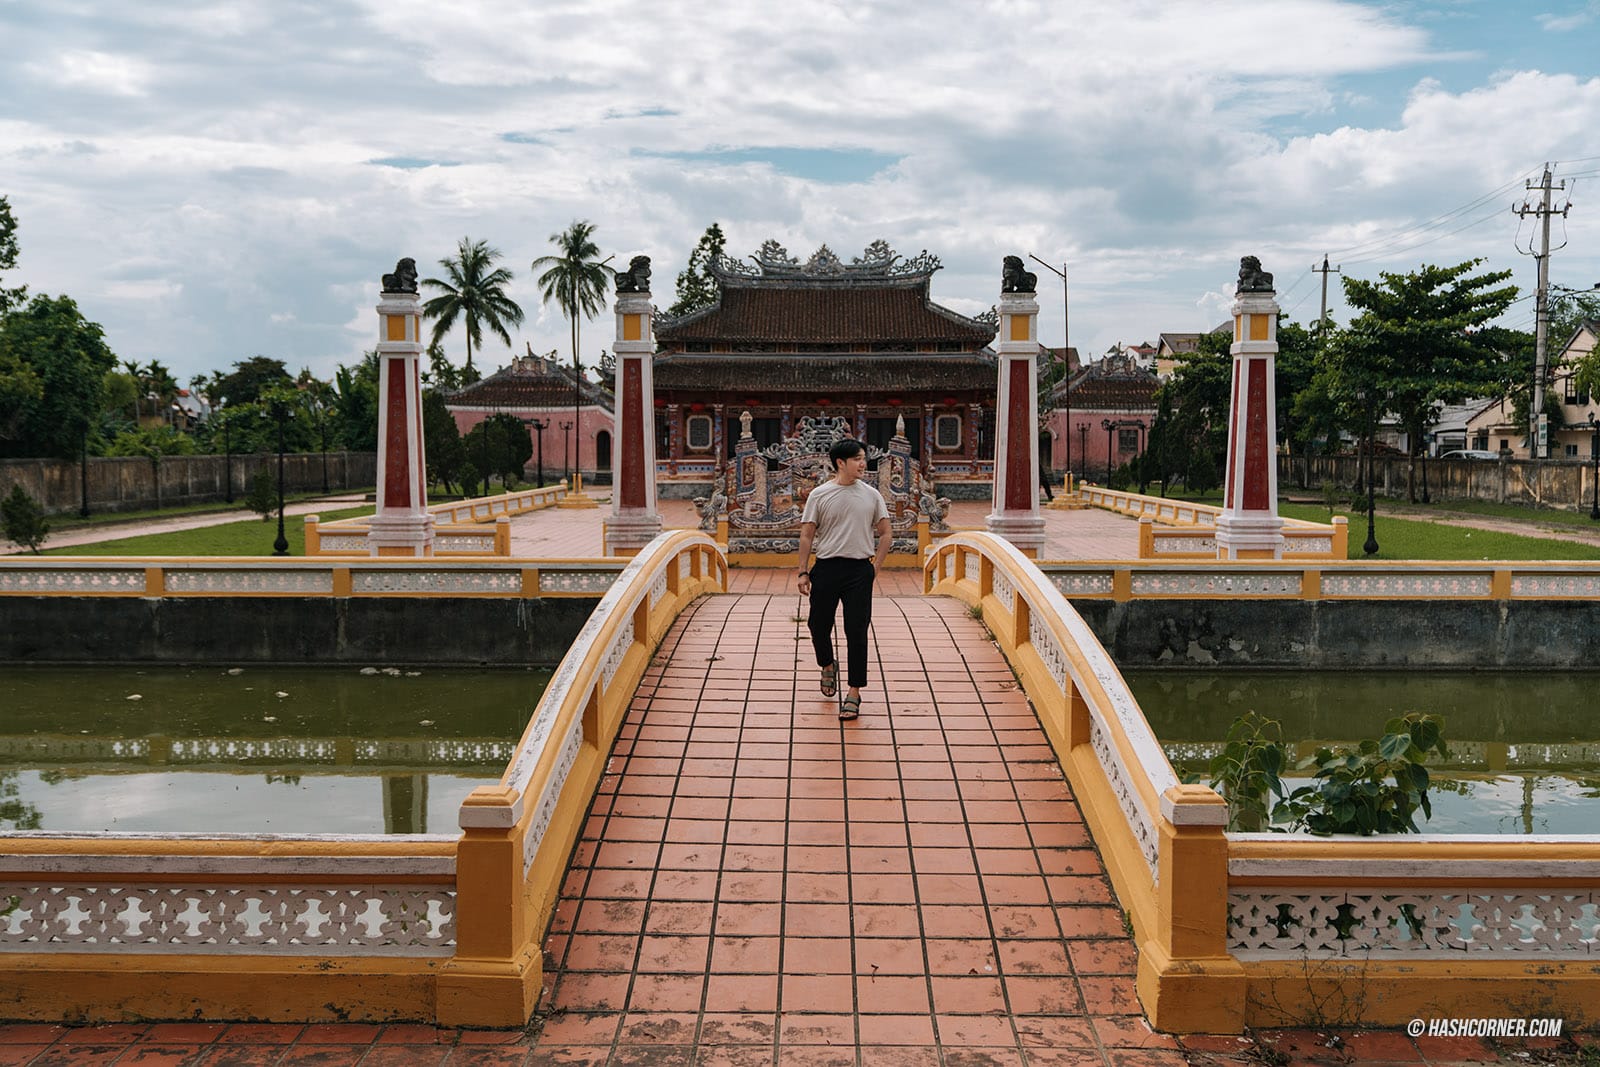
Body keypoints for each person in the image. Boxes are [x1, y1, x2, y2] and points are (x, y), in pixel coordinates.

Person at [796, 439, 891, 720]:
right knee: (817, 625)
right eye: (858, 459)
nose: (863, 464)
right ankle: (827, 664)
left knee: (856, 631)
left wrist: (876, 567)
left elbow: (886, 533)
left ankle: (854, 691)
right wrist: (803, 571)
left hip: (860, 571)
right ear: (841, 462)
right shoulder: (820, 495)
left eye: (864, 458)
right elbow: (806, 535)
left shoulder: (872, 495)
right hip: (825, 567)